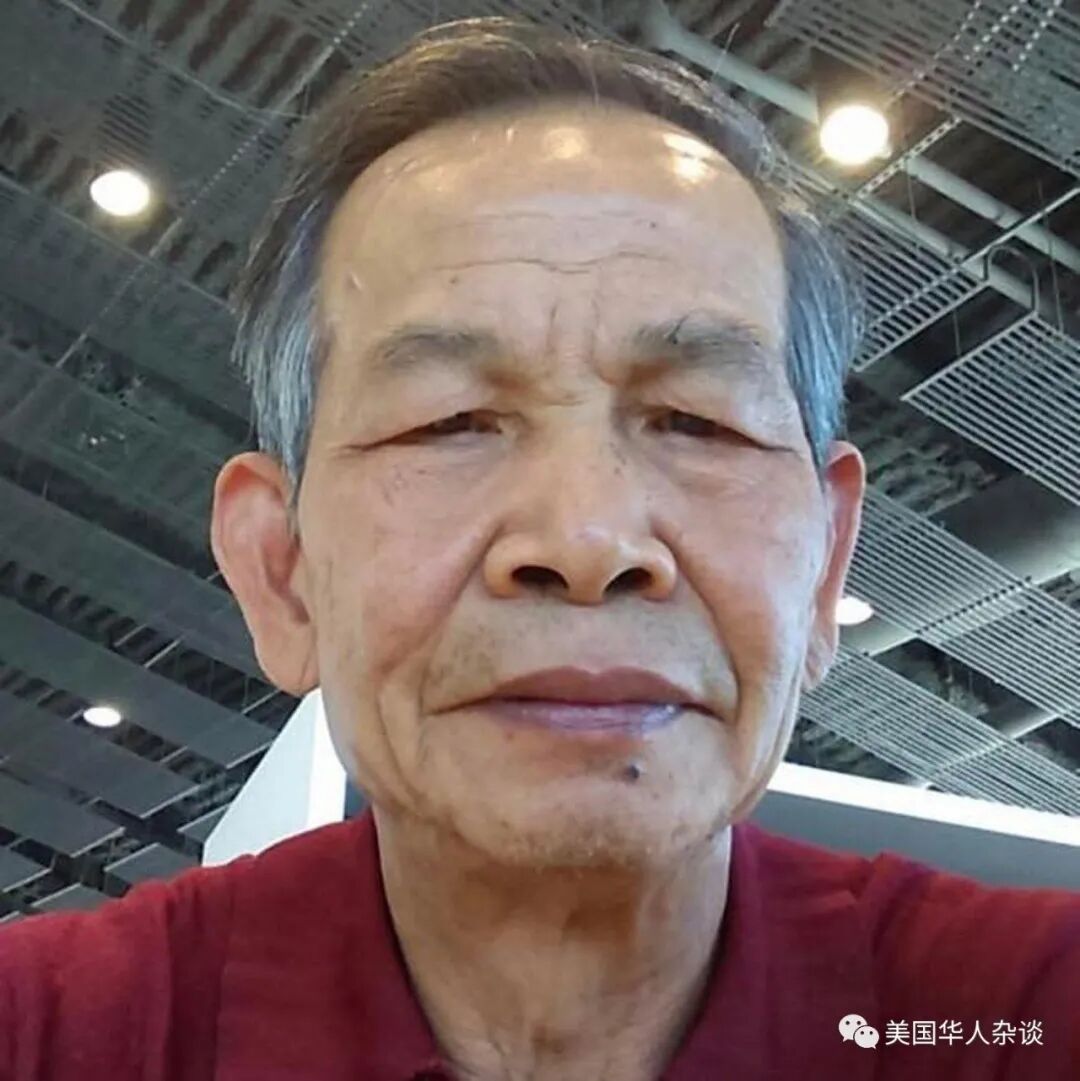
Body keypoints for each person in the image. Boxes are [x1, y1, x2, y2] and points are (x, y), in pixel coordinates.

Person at [1, 16, 1077, 1081]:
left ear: (826, 565)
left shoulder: (1021, 1012)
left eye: (698, 422)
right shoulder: (51, 1029)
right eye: (448, 422)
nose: (586, 538)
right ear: (281, 571)